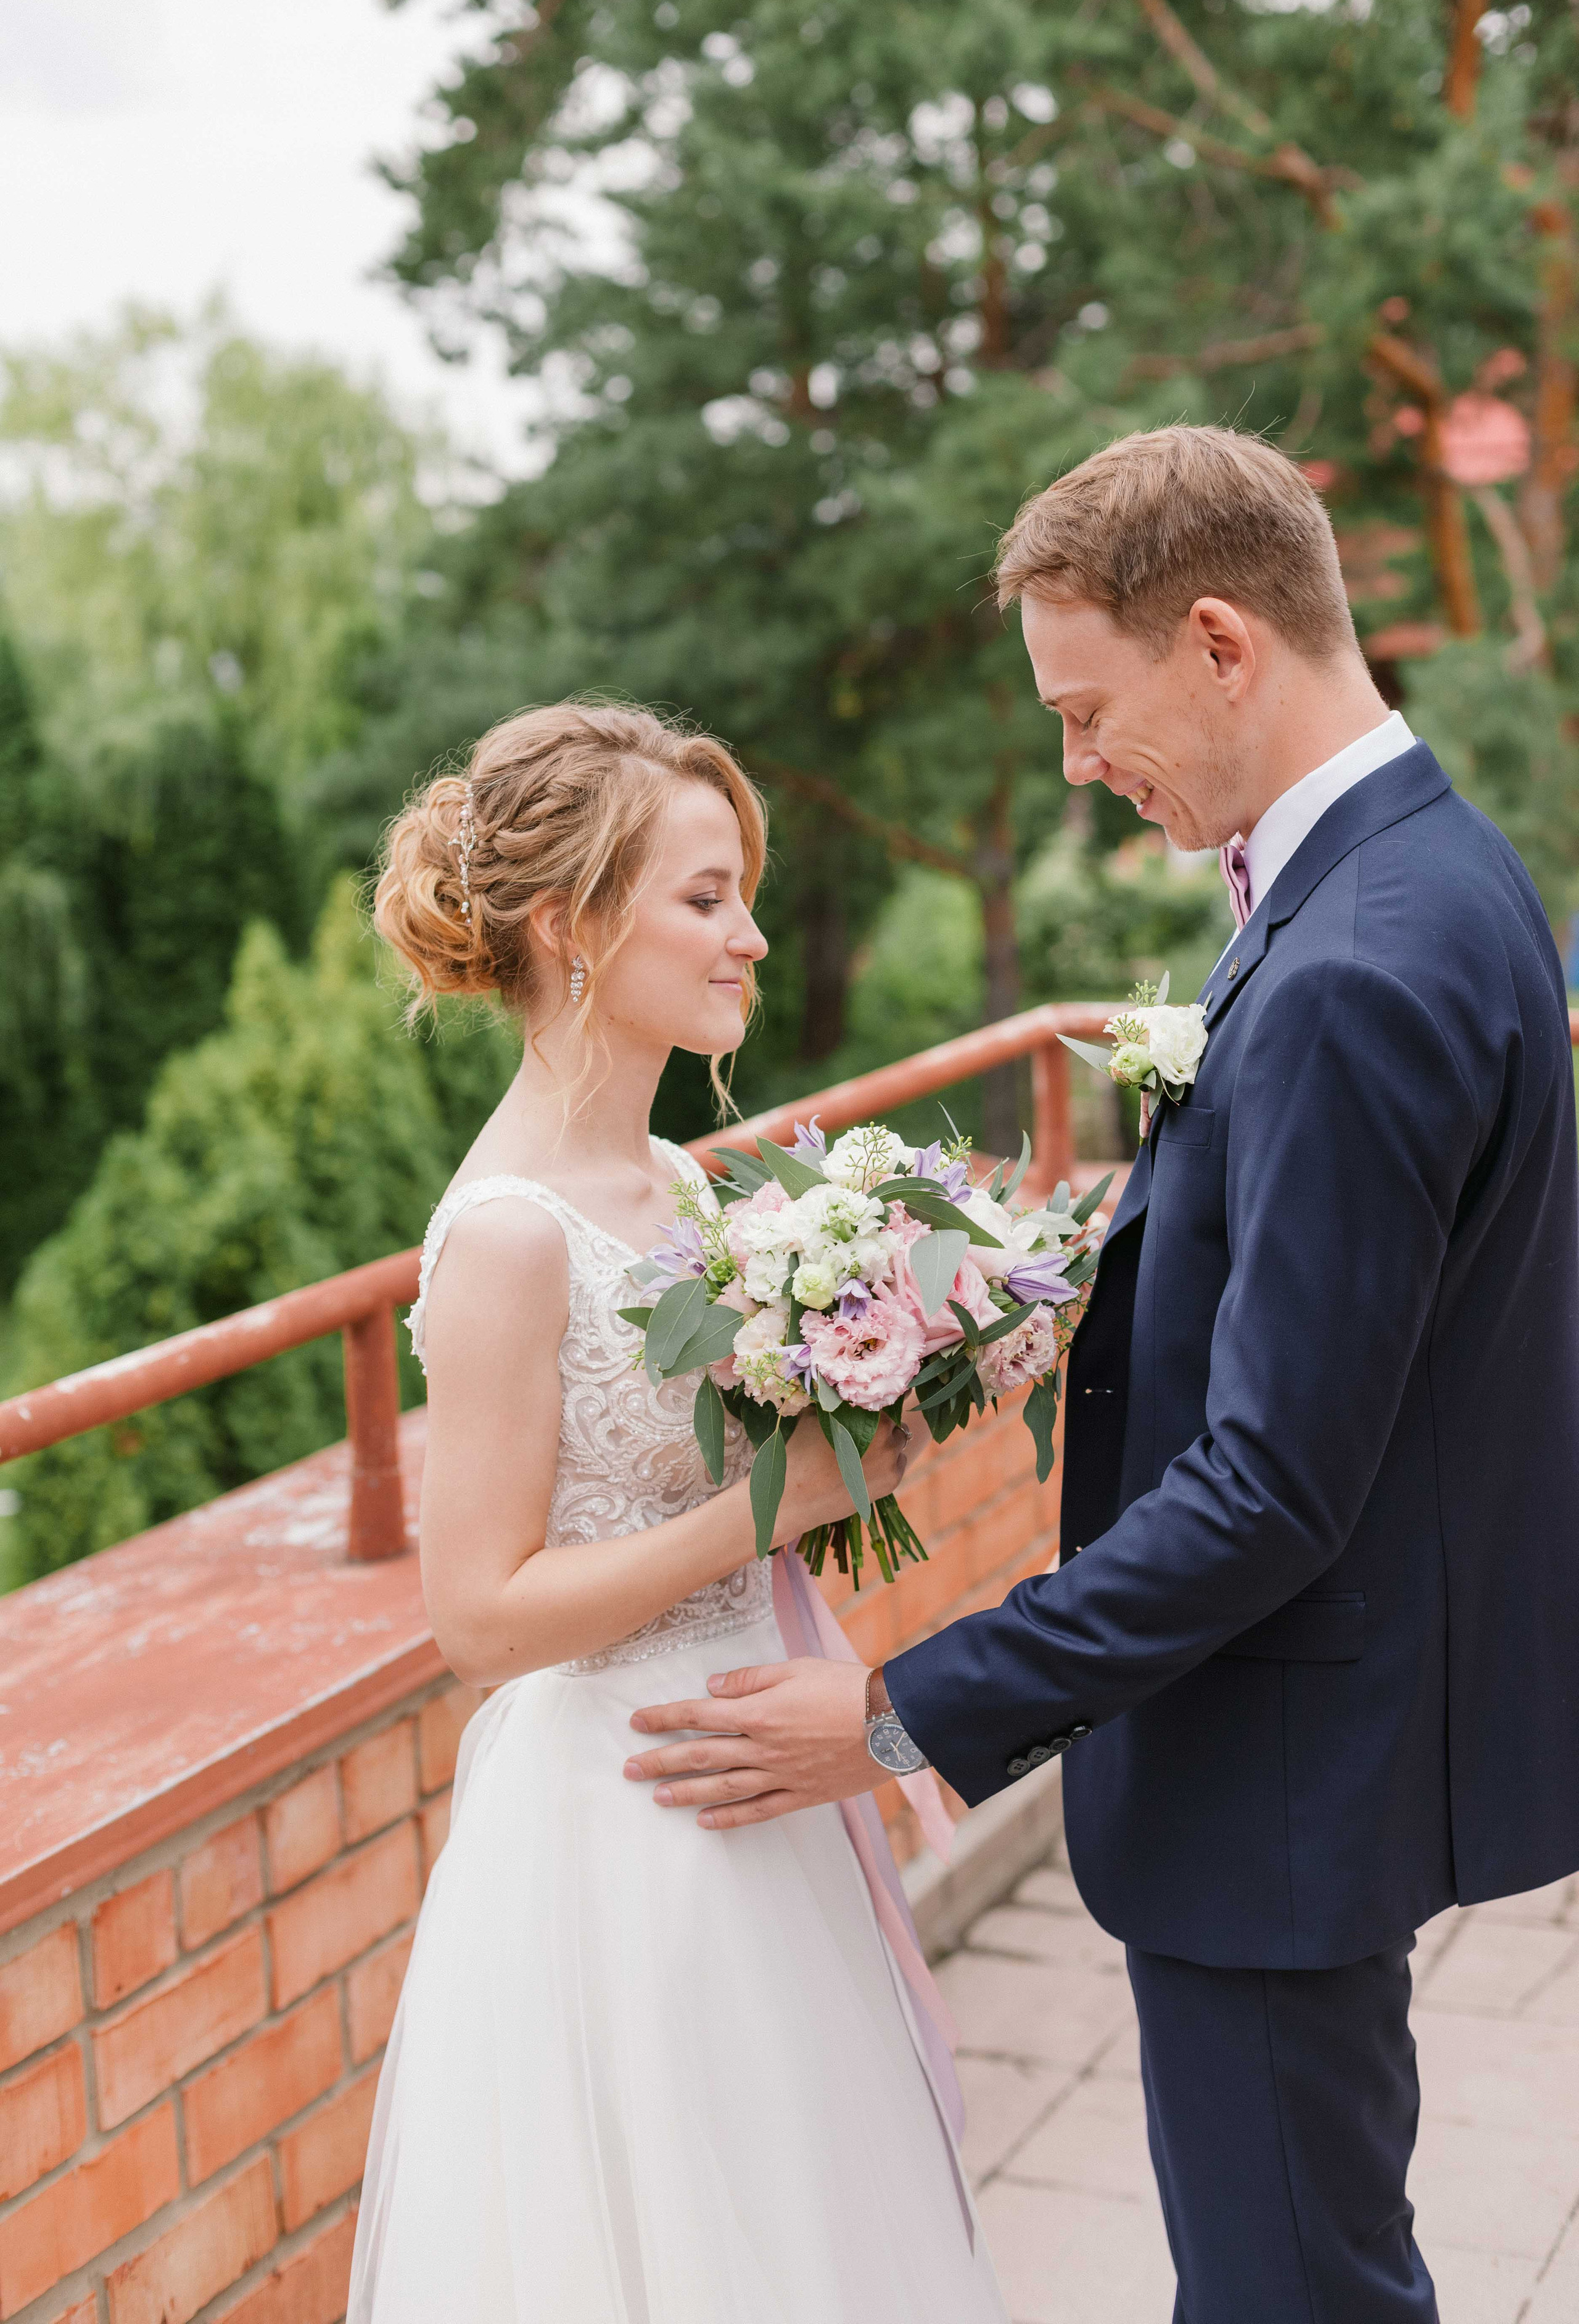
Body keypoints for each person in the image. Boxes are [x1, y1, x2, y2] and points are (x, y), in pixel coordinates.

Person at [626, 426, 1579, 2320]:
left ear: (1223, 642)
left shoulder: (1352, 970)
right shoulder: (1422, 872)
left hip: (1280, 1783)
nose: (1076, 764)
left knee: (1292, 2294)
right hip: (1341, 1745)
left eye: (1086, 709)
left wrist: (905, 1713)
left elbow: (1272, 1486)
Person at [346, 701, 1007, 2323]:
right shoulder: (505, 1236)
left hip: (770, 1777)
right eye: (706, 899)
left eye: (744, 898)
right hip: (623, 1821)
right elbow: (479, 1621)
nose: (753, 937)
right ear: (571, 925)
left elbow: (774, 1479)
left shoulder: (699, 1189)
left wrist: (886, 1417)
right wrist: (771, 1510)